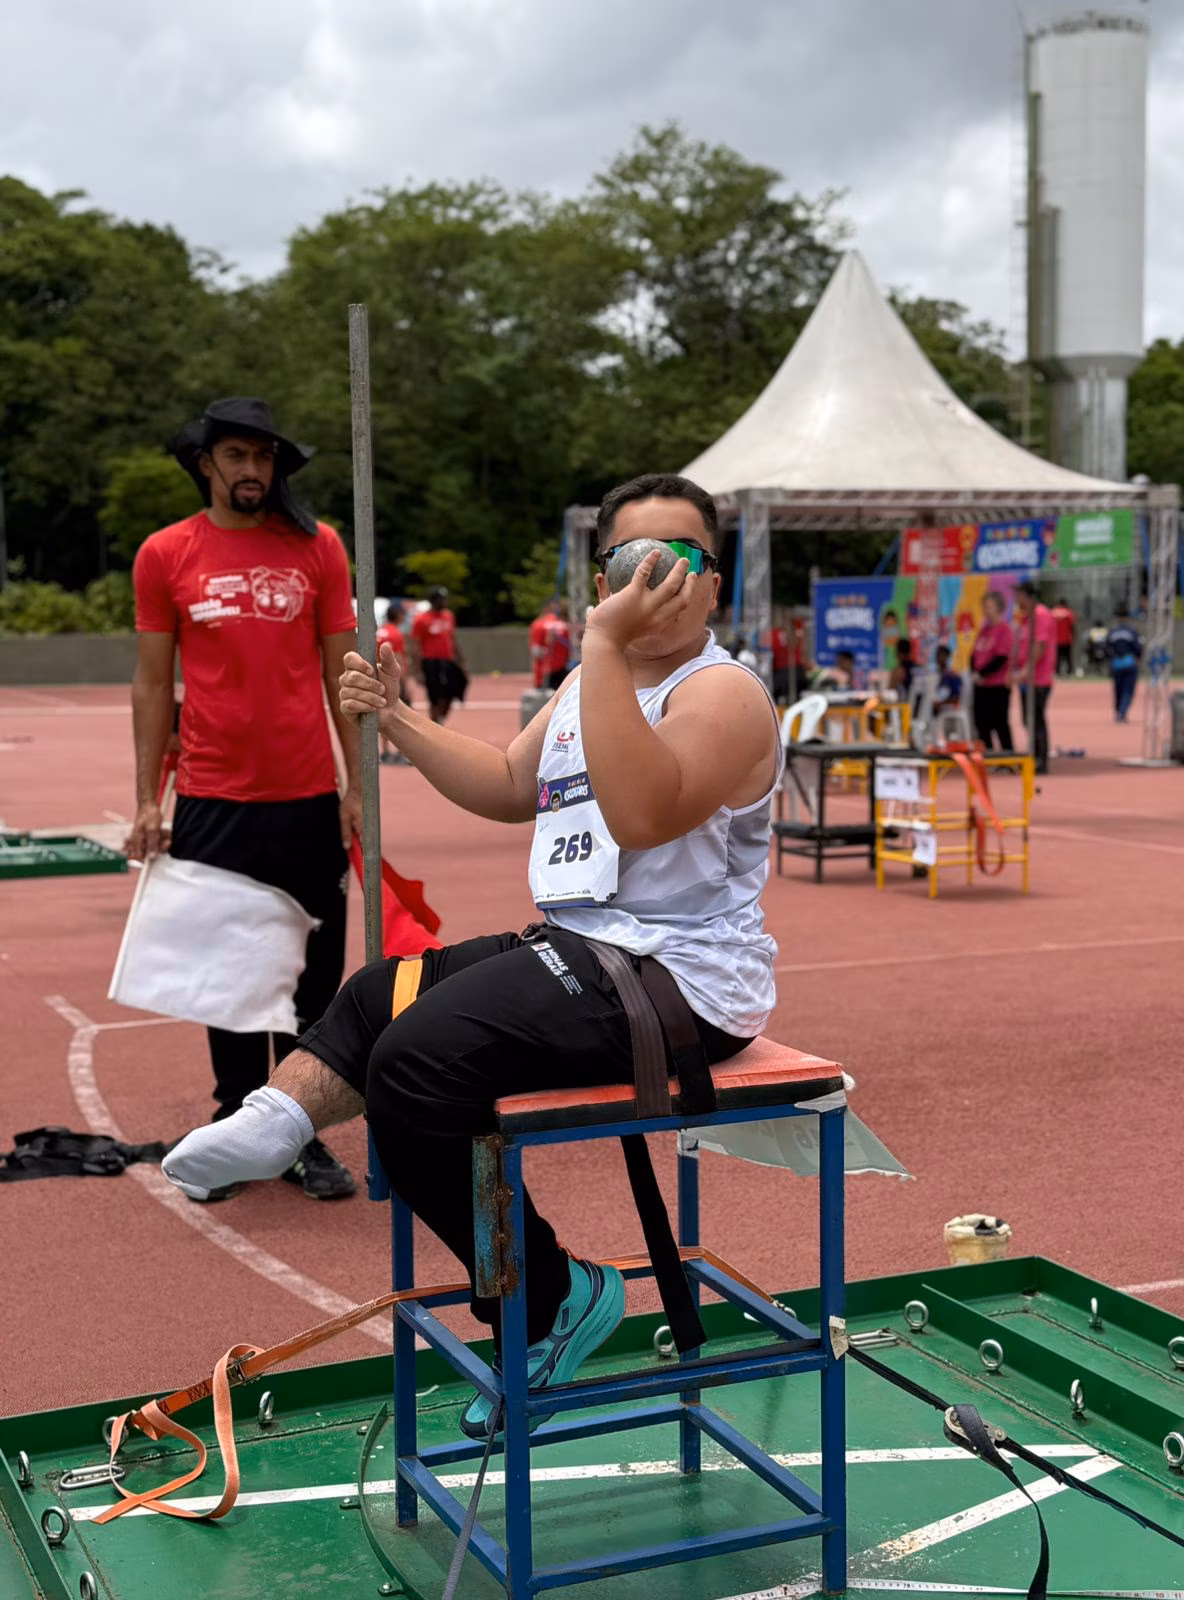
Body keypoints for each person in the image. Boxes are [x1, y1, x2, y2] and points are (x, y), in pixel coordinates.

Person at [161, 471, 781, 1433]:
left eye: (681, 558)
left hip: (683, 984)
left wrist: (607, 646)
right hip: (587, 952)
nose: (654, 577)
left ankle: (550, 1297)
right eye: (629, 560)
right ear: (600, 573)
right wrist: (396, 719)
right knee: (377, 995)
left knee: (418, 1067)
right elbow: (504, 783)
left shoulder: (723, 694)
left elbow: (645, 811)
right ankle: (281, 1115)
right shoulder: (589, 683)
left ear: (714, 584)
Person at [128, 396, 361, 1200]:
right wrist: (146, 798)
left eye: (264, 458)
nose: (253, 471)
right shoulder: (165, 555)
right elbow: (154, 682)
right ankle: (232, 1125)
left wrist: (356, 788)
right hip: (211, 797)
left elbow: (342, 676)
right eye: (237, 456)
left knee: (313, 975)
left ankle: (302, 1132)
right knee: (227, 971)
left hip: (304, 796)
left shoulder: (318, 548)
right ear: (206, 463)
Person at [1012, 580, 1056, 774]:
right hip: (1026, 679)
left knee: (1035, 719)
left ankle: (1040, 759)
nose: (1016, 599)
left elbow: (1040, 644)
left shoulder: (1041, 615)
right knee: (1027, 720)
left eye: (1019, 595)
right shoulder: (1026, 618)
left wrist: (1027, 669)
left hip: (1038, 678)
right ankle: (1033, 755)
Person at [411, 586, 467, 725]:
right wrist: (417, 671)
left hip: (447, 661)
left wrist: (461, 660)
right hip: (430, 662)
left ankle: (440, 717)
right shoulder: (421, 619)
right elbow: (416, 646)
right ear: (433, 601)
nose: (445, 602)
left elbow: (452, 639)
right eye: (442, 599)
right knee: (435, 696)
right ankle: (435, 724)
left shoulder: (448, 616)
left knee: (454, 689)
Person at [970, 591, 1014, 751]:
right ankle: (987, 756)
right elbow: (974, 655)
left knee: (1000, 723)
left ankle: (1007, 757)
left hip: (997, 685)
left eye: (989, 607)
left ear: (999, 608)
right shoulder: (984, 630)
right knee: (981, 723)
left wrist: (982, 674)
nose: (986, 610)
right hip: (981, 685)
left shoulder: (1004, 630)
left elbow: (1001, 658)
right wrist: (975, 673)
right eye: (984, 607)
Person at [375, 604, 411, 762]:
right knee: (401, 715)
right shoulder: (396, 634)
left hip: (378, 677)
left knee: (383, 713)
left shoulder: (380, 631)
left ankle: (385, 751)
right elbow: (397, 661)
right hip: (393, 680)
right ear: (397, 615)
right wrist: (405, 684)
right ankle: (402, 752)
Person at [1106, 600, 1143, 723]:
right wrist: (1137, 658)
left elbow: (1107, 648)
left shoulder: (1113, 631)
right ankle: (1122, 712)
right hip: (1129, 662)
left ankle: (1119, 711)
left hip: (1117, 663)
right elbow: (1138, 648)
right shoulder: (1132, 631)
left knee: (1118, 689)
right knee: (1127, 689)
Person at [529, 597, 571, 692]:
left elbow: (535, 652)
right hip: (562, 670)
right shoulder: (566, 626)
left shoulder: (538, 624)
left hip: (545, 673)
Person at [1051, 596, 1076, 677]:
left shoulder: (1053, 612)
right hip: (1066, 639)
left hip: (1056, 639)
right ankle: (1069, 671)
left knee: (1057, 657)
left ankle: (1057, 671)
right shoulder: (1069, 612)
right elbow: (1072, 626)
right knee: (1068, 656)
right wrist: (1074, 636)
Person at [933, 645, 962, 711]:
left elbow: (956, 698)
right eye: (938, 655)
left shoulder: (952, 676)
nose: (939, 658)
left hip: (946, 708)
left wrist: (941, 703)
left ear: (947, 657)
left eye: (942, 656)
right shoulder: (935, 675)